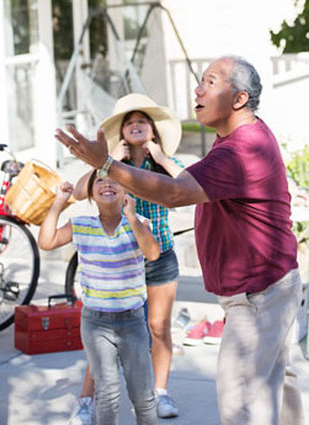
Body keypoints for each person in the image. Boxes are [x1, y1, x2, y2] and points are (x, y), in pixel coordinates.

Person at [56, 55, 304, 425]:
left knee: (244, 408)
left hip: (259, 298)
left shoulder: (241, 148)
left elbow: (173, 193)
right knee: (278, 394)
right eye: (200, 80)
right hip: (274, 287)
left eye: (211, 82)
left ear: (238, 99)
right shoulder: (240, 138)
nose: (198, 89)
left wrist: (105, 165)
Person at [70, 93, 183, 423]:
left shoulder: (164, 161)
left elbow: (190, 186)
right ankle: (87, 400)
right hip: (117, 258)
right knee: (105, 329)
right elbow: (79, 192)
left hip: (157, 254)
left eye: (143, 121)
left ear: (153, 130)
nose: (136, 125)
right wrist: (105, 161)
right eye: (130, 122)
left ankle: (159, 393)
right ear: (121, 132)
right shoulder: (110, 167)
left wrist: (161, 157)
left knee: (158, 327)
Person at [38, 173, 160, 425]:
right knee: (107, 393)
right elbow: (46, 241)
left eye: (114, 180)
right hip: (95, 323)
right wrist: (59, 203)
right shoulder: (80, 224)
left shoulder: (140, 223)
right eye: (100, 181)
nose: (106, 184)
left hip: (133, 322)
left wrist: (131, 218)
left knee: (143, 396)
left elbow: (153, 253)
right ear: (92, 194)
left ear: (127, 192)